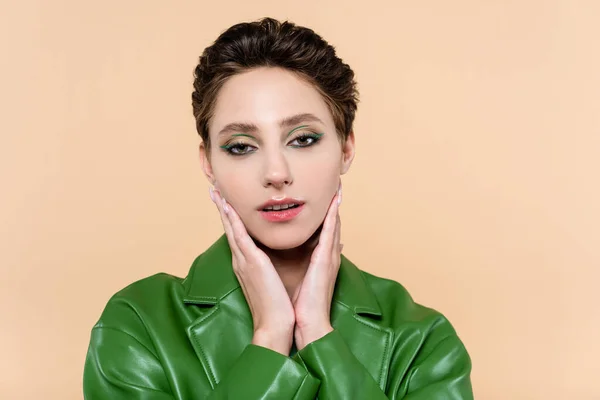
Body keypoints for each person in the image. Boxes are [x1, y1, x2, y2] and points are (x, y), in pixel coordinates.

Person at [83, 17, 473, 399]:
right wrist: (270, 337)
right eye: (241, 146)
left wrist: (320, 335)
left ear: (346, 149)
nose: (276, 173)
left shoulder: (422, 340)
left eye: (303, 139)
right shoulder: (139, 325)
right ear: (208, 163)